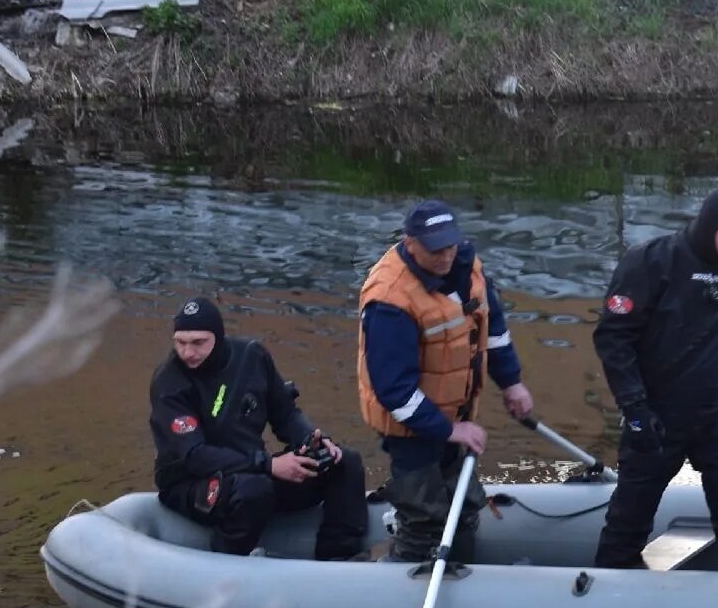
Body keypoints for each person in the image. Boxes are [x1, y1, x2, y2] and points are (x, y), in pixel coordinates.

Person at [592, 185, 718, 572]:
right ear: (710, 228)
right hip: (656, 417)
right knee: (628, 523)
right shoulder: (651, 261)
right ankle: (605, 603)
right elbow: (614, 339)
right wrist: (634, 406)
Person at [358, 200, 533, 563]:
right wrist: (449, 430)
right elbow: (394, 390)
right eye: (435, 249)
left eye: (450, 245)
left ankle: (464, 578)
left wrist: (512, 382)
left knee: (464, 509)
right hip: (412, 428)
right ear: (410, 244)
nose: (445, 256)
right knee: (426, 519)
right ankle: (401, 578)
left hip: (456, 415)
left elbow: (493, 331)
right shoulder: (390, 301)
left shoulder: (469, 269)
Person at [149, 296, 368, 558]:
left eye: (198, 343)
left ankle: (339, 558)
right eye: (180, 343)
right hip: (191, 484)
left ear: (218, 338)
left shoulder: (251, 357)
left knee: (344, 462)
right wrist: (269, 465)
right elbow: (195, 456)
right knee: (254, 490)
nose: (188, 353)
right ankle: (225, 561)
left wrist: (311, 439)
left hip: (252, 469)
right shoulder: (170, 382)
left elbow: (285, 415)